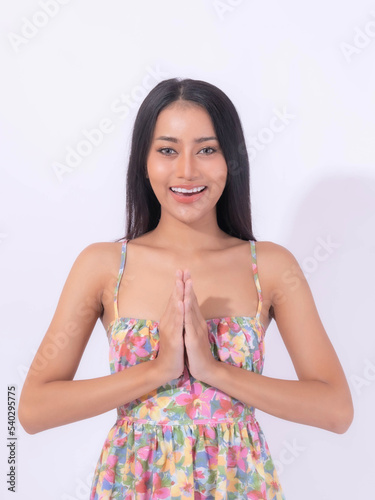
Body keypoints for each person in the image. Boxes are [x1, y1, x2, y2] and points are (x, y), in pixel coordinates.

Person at [18, 78, 354, 499]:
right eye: (167, 150)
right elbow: (32, 409)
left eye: (207, 149)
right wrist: (156, 371)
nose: (187, 170)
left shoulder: (268, 266)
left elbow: (336, 410)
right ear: (144, 161)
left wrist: (214, 370)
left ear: (231, 159)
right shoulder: (104, 266)